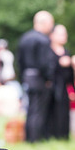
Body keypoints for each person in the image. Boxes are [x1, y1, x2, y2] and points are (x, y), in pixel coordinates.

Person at [17, 10, 56, 142]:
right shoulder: (44, 40)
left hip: (27, 77)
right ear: (44, 23)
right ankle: (36, 138)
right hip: (40, 79)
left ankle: (28, 137)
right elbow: (45, 63)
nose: (52, 26)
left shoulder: (24, 38)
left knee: (30, 109)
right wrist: (49, 78)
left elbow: (19, 61)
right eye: (51, 23)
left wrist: (22, 78)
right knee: (39, 110)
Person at [49, 24, 74, 140]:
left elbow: (70, 75)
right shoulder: (48, 51)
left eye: (65, 34)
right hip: (51, 87)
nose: (64, 36)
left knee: (64, 111)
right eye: (60, 34)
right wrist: (58, 63)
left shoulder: (66, 52)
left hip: (64, 87)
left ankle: (63, 135)